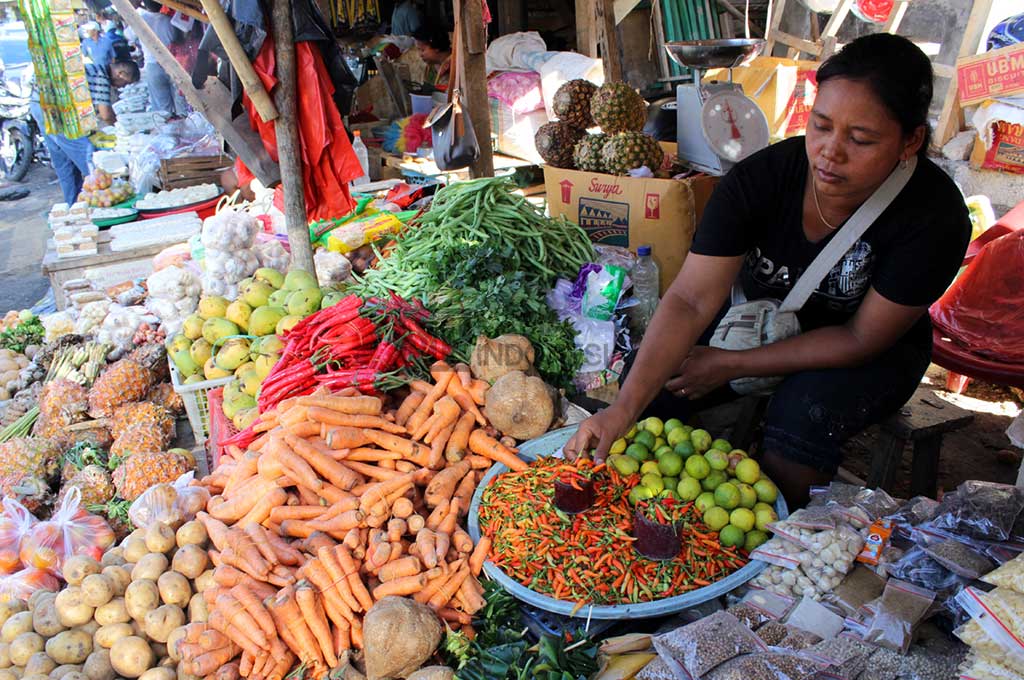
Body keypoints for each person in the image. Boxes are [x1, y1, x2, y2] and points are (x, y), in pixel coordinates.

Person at [564, 34, 972, 505]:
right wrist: (622, 409)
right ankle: (648, 511)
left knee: (798, 420)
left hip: (866, 348)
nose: (829, 153)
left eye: (860, 139)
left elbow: (861, 338)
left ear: (911, 141)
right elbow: (692, 299)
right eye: (820, 126)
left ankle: (778, 541)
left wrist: (729, 365)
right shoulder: (762, 178)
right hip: (756, 316)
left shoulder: (933, 217)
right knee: (651, 378)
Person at [31, 60, 140, 204]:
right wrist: (122, 130)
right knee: (89, 158)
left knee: (65, 162)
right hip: (56, 110)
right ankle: (102, 203)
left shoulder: (93, 68)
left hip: (38, 104)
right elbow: (106, 115)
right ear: (121, 74)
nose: (121, 87)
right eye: (124, 83)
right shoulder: (102, 76)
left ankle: (73, 206)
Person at [132, 0, 181, 116]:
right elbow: (175, 39)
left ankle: (167, 130)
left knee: (162, 108)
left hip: (153, 64)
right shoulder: (169, 21)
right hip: (172, 64)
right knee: (180, 100)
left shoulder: (140, 20)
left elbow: (128, 35)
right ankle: (184, 125)